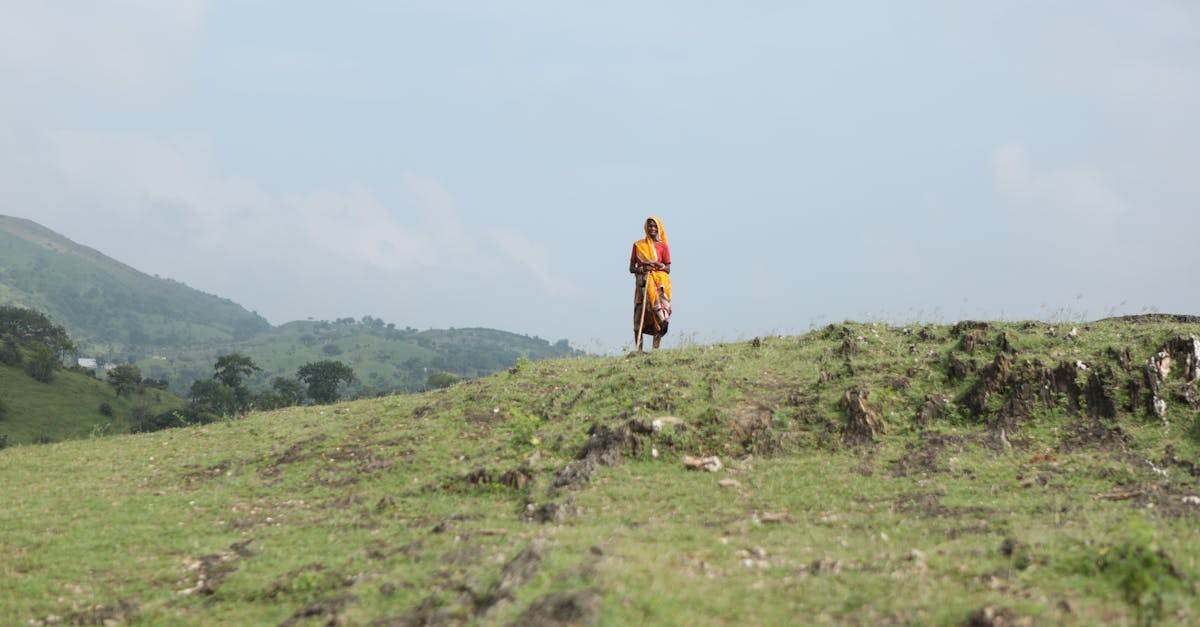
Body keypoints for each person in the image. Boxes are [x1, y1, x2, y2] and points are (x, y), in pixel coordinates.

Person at [630, 216, 672, 351]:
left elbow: (668, 269)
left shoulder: (663, 246)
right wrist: (642, 268)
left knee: (658, 319)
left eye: (655, 226)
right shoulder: (638, 245)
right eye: (650, 226)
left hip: (658, 287)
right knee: (638, 318)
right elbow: (631, 268)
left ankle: (655, 350)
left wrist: (658, 265)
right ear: (646, 228)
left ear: (659, 228)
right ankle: (639, 351)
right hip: (642, 286)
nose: (652, 228)